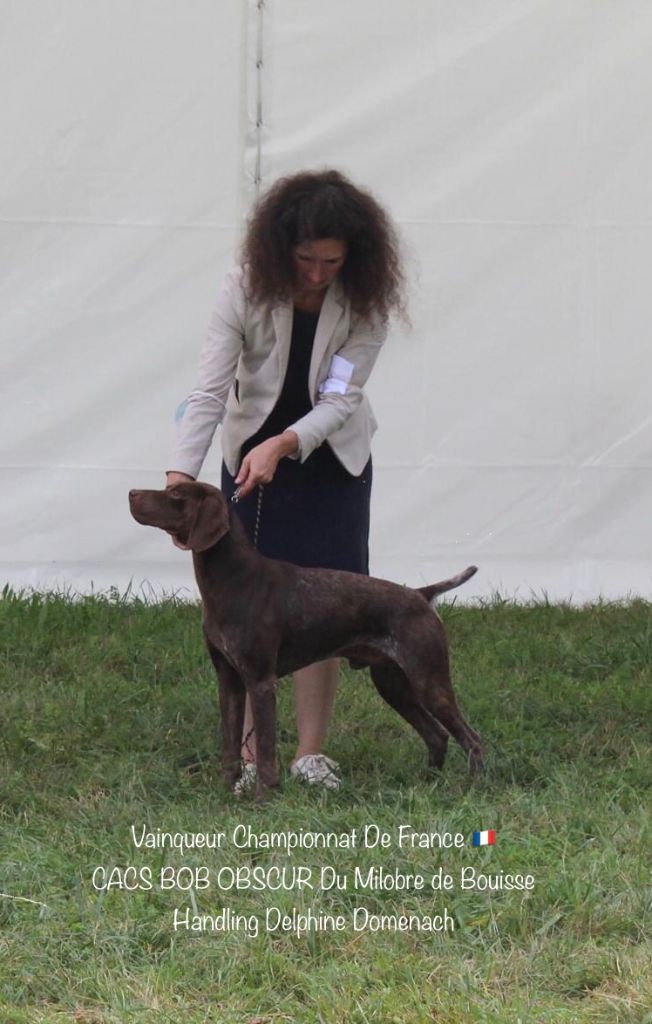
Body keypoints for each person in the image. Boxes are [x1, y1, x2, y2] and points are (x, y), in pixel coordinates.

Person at [166, 168, 406, 793]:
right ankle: (252, 760)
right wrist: (178, 479)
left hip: (331, 459)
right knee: (251, 616)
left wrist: (287, 441)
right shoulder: (244, 286)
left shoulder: (365, 299)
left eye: (332, 260)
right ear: (281, 249)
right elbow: (210, 389)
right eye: (306, 259)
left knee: (324, 609)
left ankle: (310, 753)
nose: (318, 273)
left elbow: (340, 397)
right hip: (248, 460)